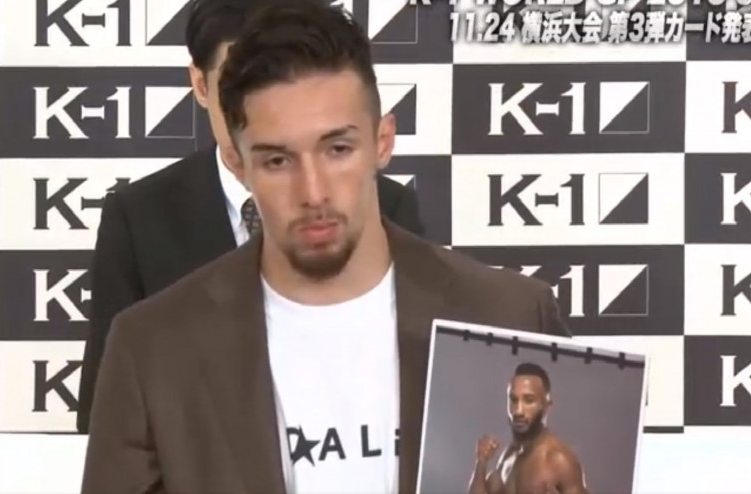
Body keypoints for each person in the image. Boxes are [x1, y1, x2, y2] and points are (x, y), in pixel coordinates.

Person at [80, 1, 571, 493]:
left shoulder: (511, 318)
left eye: (337, 149)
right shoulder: (152, 350)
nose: (313, 192)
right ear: (238, 164)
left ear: (383, 142)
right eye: (277, 161)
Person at [75, 0, 425, 434]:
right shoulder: (138, 218)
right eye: (239, 80)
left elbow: (420, 390)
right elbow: (107, 417)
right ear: (200, 84)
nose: (260, 103)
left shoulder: (387, 207)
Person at [468, 363, 589, 494]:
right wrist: (481, 462)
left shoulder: (559, 460)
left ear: (547, 406)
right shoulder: (509, 455)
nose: (518, 411)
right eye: (513, 400)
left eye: (529, 400)